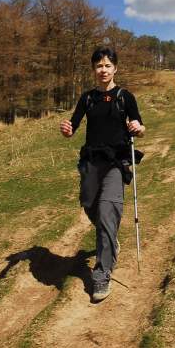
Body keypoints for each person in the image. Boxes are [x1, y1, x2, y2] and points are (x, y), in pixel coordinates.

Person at [59, 47, 145, 302]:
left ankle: (102, 272)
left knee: (108, 212)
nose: (103, 70)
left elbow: (140, 126)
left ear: (115, 68)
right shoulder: (87, 98)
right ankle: (110, 238)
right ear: (93, 69)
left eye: (107, 65)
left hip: (116, 163)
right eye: (99, 66)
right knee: (89, 204)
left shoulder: (124, 97)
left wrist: (137, 127)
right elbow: (72, 127)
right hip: (91, 162)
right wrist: (67, 130)